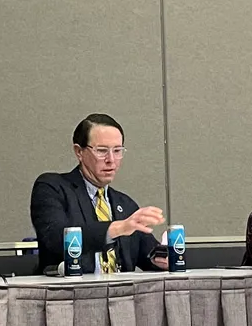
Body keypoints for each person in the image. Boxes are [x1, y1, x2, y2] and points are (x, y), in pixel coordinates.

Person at [30, 113, 167, 274]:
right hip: (70, 295)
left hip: (122, 295)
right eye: (102, 150)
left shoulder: (125, 204)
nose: (111, 159)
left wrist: (165, 258)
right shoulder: (53, 188)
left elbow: (149, 256)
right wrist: (116, 229)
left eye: (117, 150)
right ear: (79, 152)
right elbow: (55, 239)